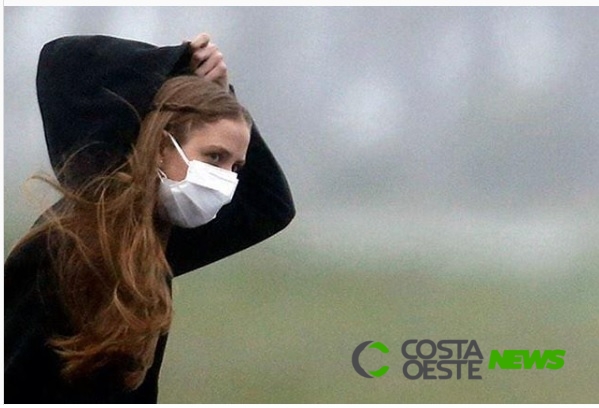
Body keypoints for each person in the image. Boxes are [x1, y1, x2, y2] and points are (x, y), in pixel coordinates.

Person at [4, 33, 295, 403]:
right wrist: (175, 62)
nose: (226, 181)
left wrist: (221, 95)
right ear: (160, 147)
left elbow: (268, 206)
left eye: (236, 166)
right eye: (214, 158)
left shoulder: (152, 238)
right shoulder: (58, 248)